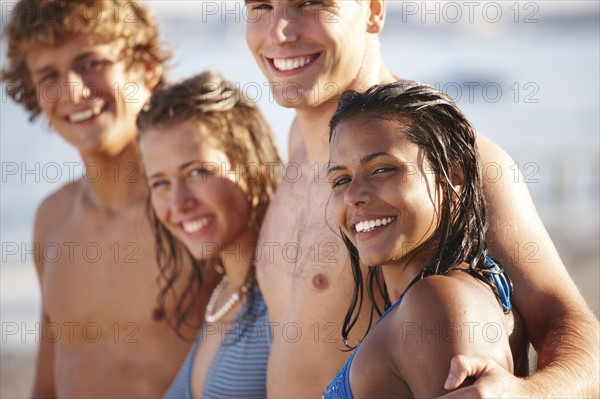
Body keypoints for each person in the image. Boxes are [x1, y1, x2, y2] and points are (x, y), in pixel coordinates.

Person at [244, 0, 599, 397]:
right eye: (260, 6)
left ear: (374, 11)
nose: (278, 32)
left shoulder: (449, 161)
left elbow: (575, 329)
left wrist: (531, 394)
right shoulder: (298, 143)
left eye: (310, 4)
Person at [1, 1, 211, 397]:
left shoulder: (194, 209)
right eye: (49, 74)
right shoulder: (53, 217)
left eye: (90, 62)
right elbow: (46, 385)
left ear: (147, 68)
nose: (73, 90)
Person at [323, 81, 529, 397]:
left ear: (453, 179)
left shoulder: (435, 303)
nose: (354, 195)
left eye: (382, 169)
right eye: (341, 179)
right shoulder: (458, 288)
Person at [136, 71, 281, 398]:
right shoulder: (221, 294)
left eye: (198, 172)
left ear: (250, 164)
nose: (178, 203)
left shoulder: (286, 293)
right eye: (160, 183)